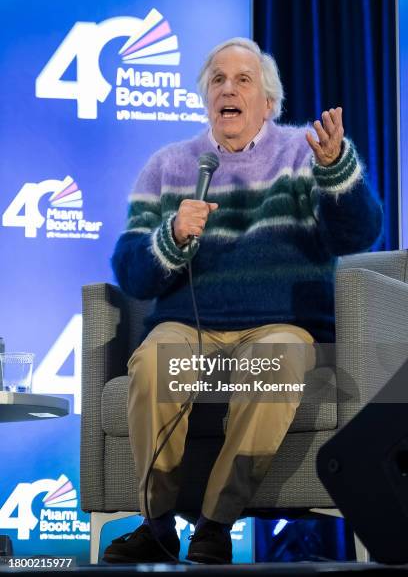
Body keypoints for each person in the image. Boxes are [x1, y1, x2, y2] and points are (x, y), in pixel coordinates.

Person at [104, 38, 383, 564]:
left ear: (268, 103)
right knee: (153, 367)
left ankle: (215, 524)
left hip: (281, 324)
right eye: (217, 79)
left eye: (243, 80)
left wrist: (336, 169)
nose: (228, 88)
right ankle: (157, 523)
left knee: (275, 363)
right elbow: (131, 272)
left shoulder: (305, 154)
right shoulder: (167, 166)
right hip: (190, 324)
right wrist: (172, 235)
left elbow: (359, 234)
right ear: (205, 97)